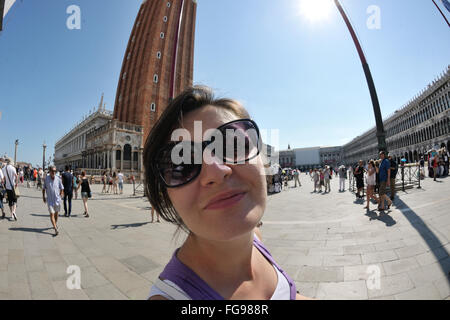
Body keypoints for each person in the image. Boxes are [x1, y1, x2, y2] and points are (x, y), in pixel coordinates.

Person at [146, 86, 307, 300]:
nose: (216, 171)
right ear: (166, 195)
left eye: (234, 144)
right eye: (182, 163)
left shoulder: (255, 240)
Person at [42, 165, 64, 236]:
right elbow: (43, 188)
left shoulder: (58, 178)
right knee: (52, 214)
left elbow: (61, 187)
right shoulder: (46, 179)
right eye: (52, 171)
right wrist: (43, 197)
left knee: (56, 214)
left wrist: (61, 193)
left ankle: (55, 223)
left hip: (57, 200)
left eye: (55, 171)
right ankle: (55, 228)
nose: (54, 172)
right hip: (50, 200)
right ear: (50, 171)